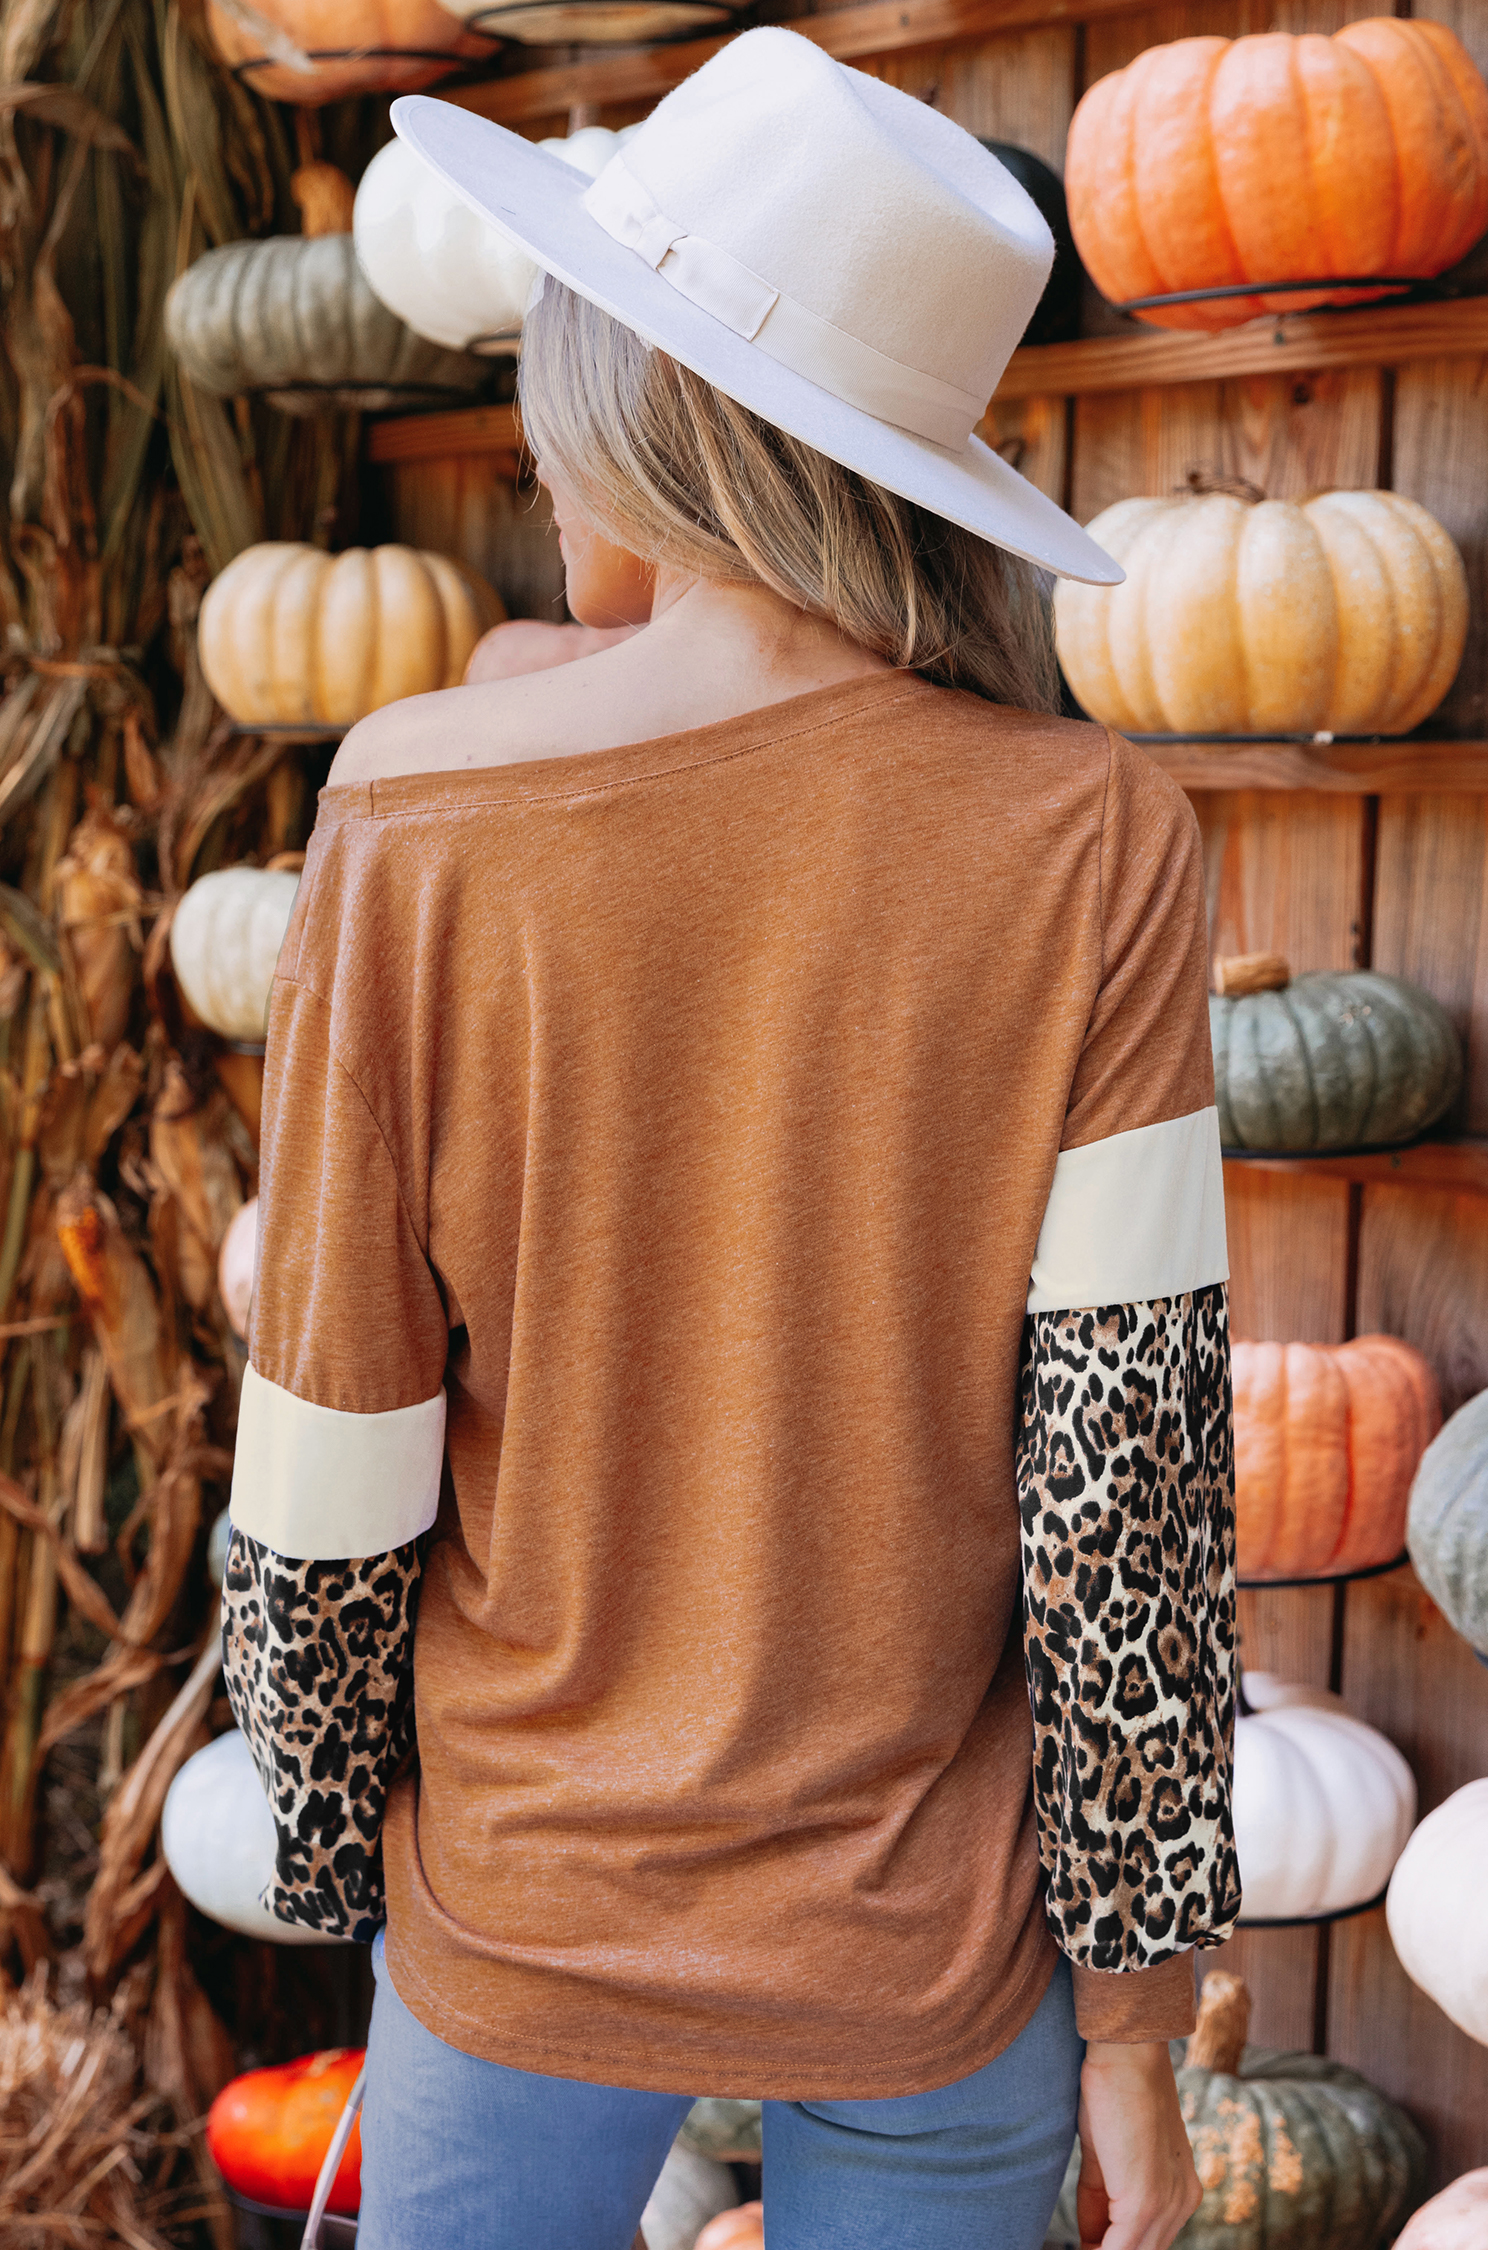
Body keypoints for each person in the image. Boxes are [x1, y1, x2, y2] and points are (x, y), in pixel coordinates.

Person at [221, 28, 1239, 2250]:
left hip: (518, 1909)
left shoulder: (414, 810)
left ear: (650, 409)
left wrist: (329, 1844)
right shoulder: (1096, 836)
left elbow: (333, 1429)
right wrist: (1138, 2013)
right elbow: (1126, 1485)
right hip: (940, 1942)